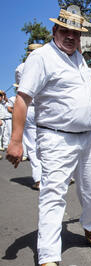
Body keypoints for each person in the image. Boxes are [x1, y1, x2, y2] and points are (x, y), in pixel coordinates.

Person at [6, 9, 91, 266]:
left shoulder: (80, 59)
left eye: (76, 33)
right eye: (65, 31)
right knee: (53, 195)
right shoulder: (41, 58)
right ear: (54, 32)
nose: (71, 37)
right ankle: (48, 258)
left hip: (88, 137)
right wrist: (16, 141)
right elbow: (22, 99)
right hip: (55, 137)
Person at [14, 46, 44, 190]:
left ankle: (39, 179)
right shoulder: (47, 63)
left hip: (31, 107)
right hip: (43, 108)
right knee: (48, 141)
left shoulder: (21, 67)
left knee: (32, 146)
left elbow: (19, 88)